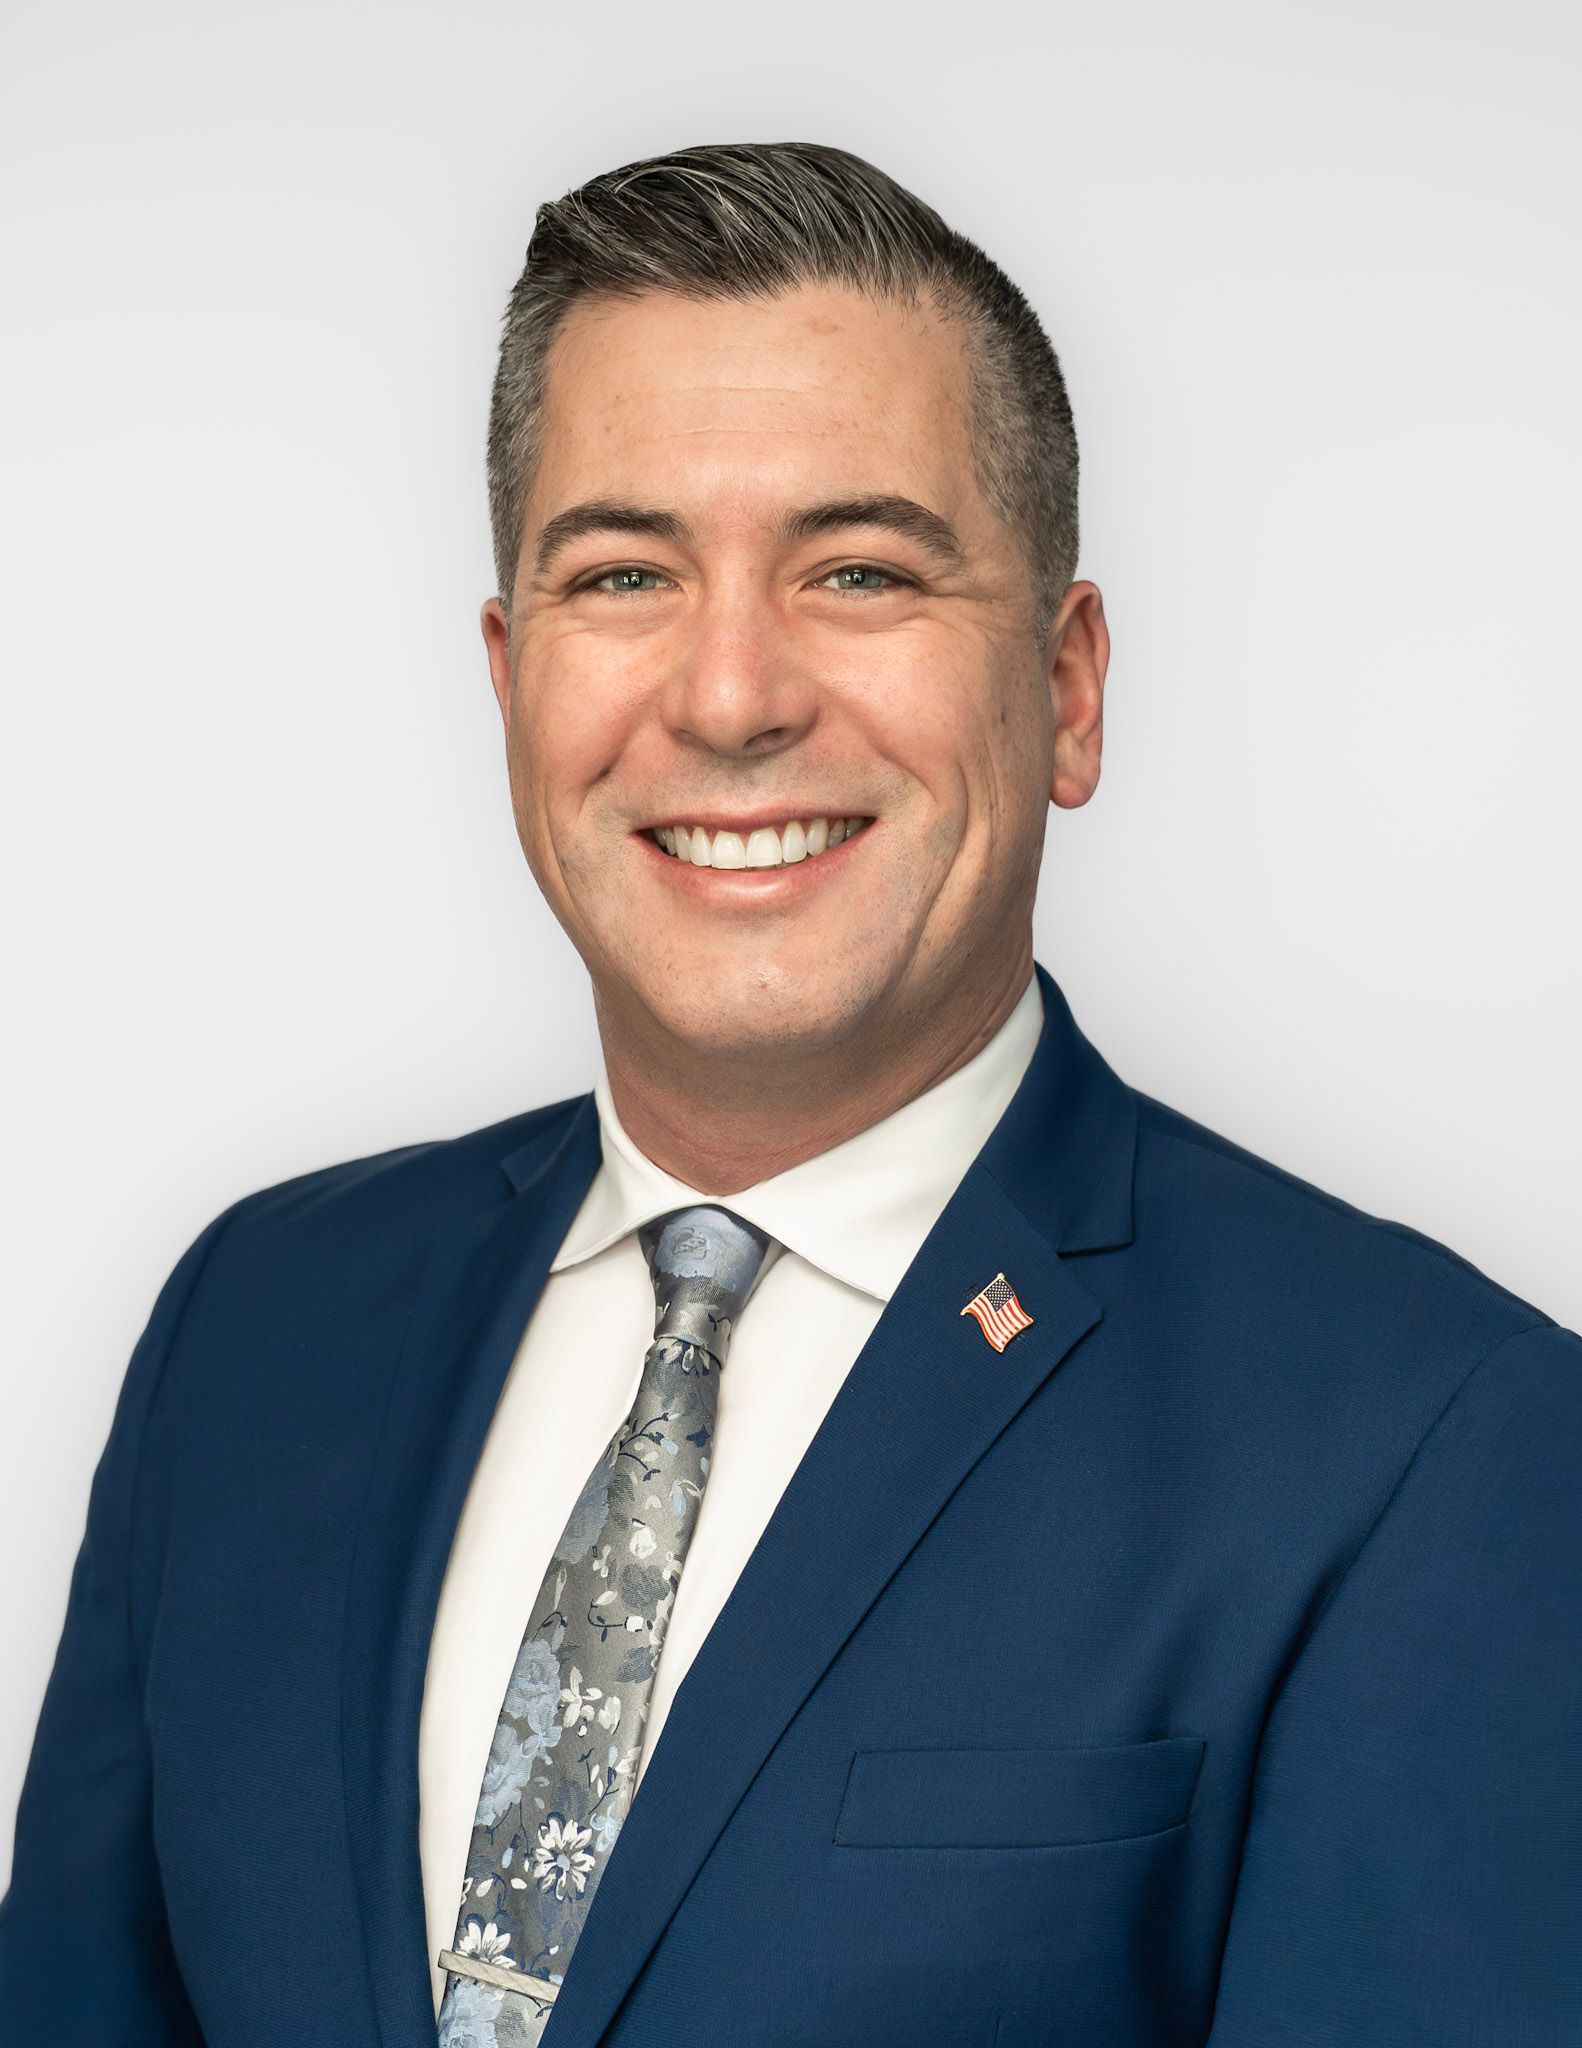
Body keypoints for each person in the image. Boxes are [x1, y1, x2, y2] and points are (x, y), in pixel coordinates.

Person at [1, 140, 1576, 2048]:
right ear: (511, 685)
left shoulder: (1434, 1441)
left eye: (856, 569)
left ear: (1067, 690)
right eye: (622, 572)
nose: (730, 692)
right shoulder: (251, 1327)